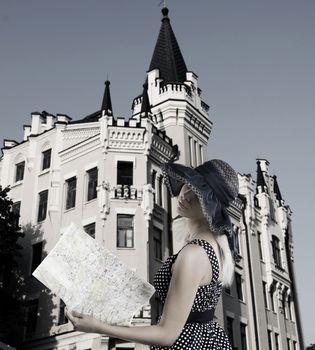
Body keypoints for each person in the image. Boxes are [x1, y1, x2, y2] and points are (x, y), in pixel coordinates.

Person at [65, 159, 239, 350]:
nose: (185, 195)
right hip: (206, 340)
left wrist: (99, 327)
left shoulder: (194, 254)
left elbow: (166, 334)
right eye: (189, 185)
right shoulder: (213, 246)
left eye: (198, 194)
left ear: (211, 207)